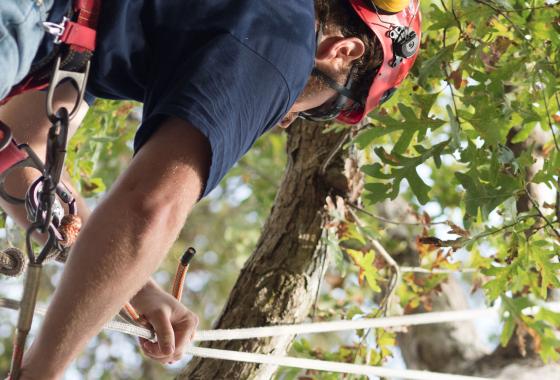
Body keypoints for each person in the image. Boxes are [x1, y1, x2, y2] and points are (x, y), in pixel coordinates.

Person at [0, 0, 420, 378]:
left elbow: (19, 146)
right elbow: (150, 210)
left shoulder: (132, 23)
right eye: (327, 108)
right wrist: (42, 373)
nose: (287, 120)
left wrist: (132, 287)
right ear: (342, 51)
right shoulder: (285, 37)